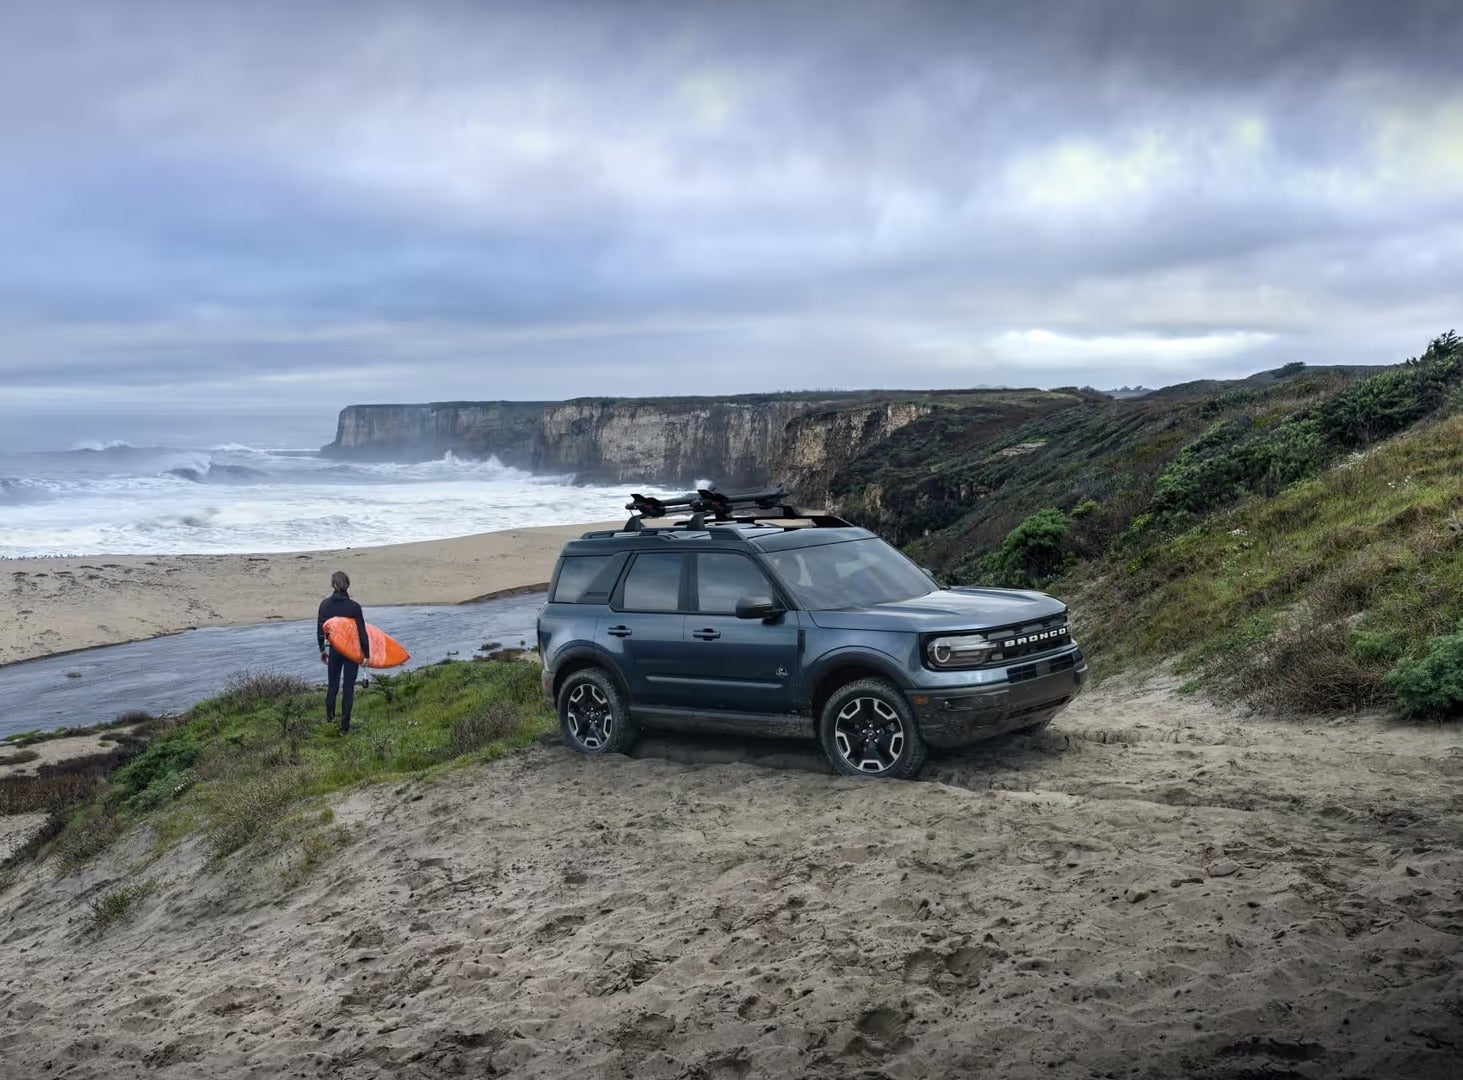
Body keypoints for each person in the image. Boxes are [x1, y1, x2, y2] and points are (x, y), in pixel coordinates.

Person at [317, 570, 369, 733]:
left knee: (332, 687)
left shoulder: (325, 605)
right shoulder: (354, 607)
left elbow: (321, 630)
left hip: (334, 650)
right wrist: (366, 655)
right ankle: (344, 727)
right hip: (351, 652)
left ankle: (330, 721)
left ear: (333, 584)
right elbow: (362, 632)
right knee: (348, 688)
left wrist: (322, 649)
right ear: (348, 585)